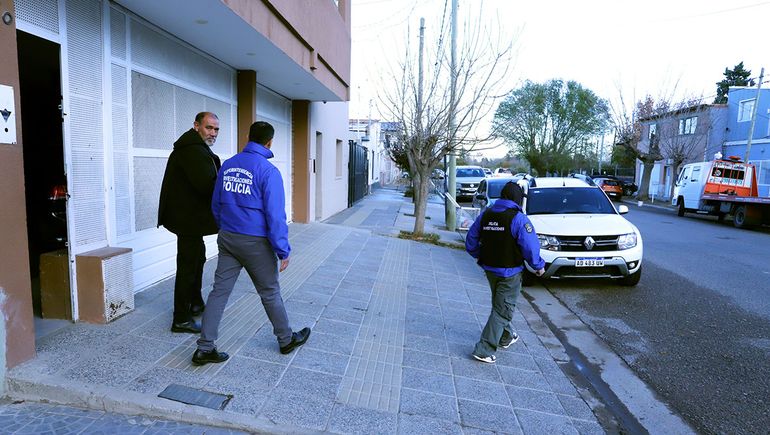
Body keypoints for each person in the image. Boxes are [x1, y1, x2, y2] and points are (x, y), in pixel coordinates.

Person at [192, 121, 310, 366]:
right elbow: (275, 215)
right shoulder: (268, 171)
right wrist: (282, 249)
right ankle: (286, 339)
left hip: (228, 237)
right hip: (255, 242)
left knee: (219, 291)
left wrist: (225, 226)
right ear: (269, 142)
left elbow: (216, 203)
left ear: (250, 137)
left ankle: (204, 347)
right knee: (269, 291)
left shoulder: (229, 165)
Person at [465, 181, 545, 364]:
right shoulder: (518, 218)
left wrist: (481, 255)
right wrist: (538, 266)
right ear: (517, 198)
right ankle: (484, 349)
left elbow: (470, 241)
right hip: (510, 272)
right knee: (503, 310)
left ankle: (506, 336)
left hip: (490, 270)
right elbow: (530, 248)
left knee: (500, 305)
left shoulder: (486, 214)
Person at [158, 112, 221, 334]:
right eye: (209, 128)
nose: (213, 133)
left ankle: (195, 303)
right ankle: (181, 319)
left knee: (198, 259)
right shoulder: (193, 150)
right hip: (188, 220)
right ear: (196, 126)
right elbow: (207, 186)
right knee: (187, 267)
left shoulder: (194, 147)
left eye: (216, 129)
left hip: (190, 219)